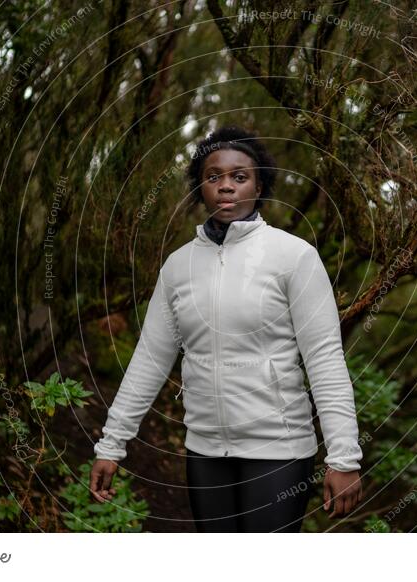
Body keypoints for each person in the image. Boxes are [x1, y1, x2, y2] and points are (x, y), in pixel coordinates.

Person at [90, 125, 363, 532]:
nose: (225, 186)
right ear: (200, 187)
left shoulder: (293, 257)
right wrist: (112, 444)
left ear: (259, 184)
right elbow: (149, 360)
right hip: (205, 451)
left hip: (279, 452)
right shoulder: (178, 267)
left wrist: (344, 459)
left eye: (239, 176)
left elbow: (324, 360)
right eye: (213, 176)